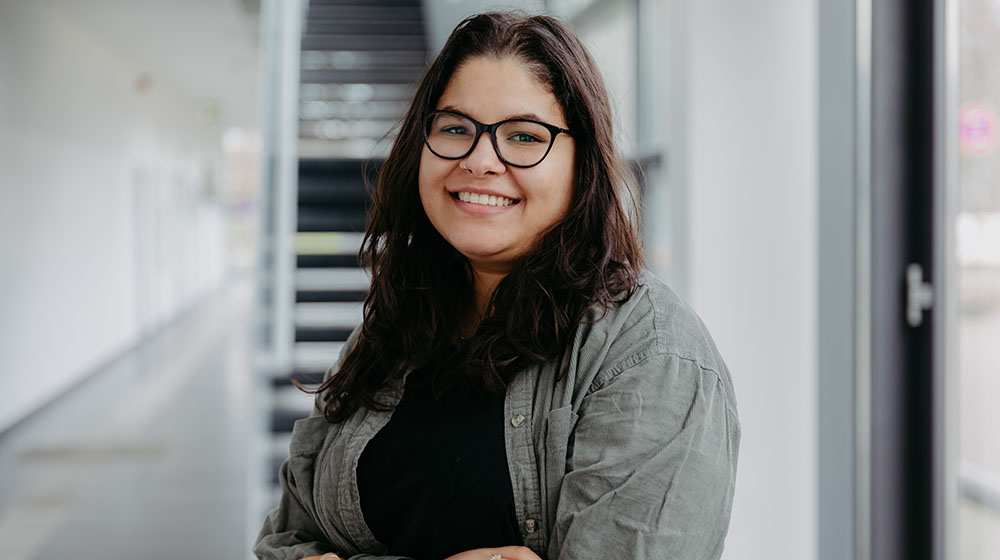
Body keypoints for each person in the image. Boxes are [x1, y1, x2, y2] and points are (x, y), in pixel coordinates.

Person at [254, 11, 740, 560]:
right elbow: (281, 542)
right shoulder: (389, 335)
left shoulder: (650, 353)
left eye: (524, 136)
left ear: (582, 165)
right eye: (456, 128)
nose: (480, 160)